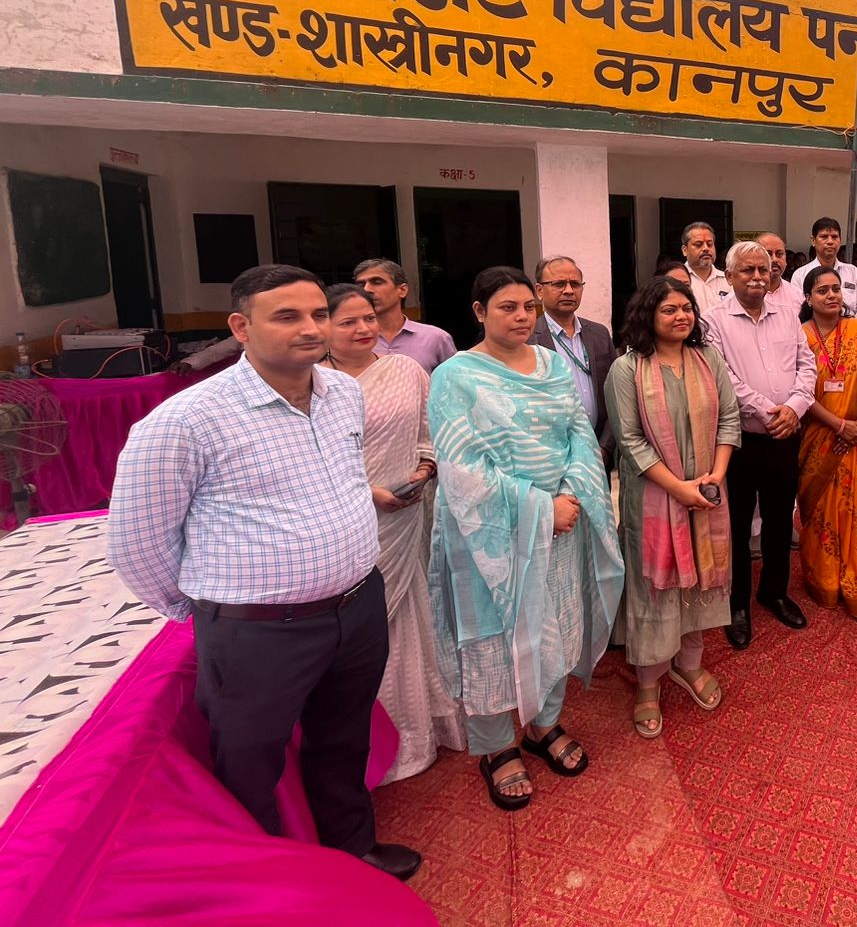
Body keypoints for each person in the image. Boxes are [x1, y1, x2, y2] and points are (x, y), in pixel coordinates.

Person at [107, 264, 420, 880]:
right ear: (241, 327)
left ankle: (352, 848)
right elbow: (136, 543)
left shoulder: (342, 393)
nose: (310, 328)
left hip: (357, 605)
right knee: (250, 761)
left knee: (343, 736)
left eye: (318, 314)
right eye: (287, 316)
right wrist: (211, 611)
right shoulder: (185, 421)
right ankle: (267, 885)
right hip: (258, 630)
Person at [428, 267, 622, 812]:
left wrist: (572, 494)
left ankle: (543, 725)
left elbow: (580, 434)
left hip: (561, 522)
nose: (521, 317)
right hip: (487, 533)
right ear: (478, 312)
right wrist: (540, 508)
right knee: (491, 637)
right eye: (507, 307)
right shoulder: (455, 376)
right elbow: (461, 467)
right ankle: (496, 747)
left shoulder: (551, 364)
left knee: (555, 623)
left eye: (527, 308)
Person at [319, 284, 463, 784]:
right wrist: (371, 494)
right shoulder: (314, 385)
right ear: (323, 328)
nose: (364, 328)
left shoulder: (406, 370)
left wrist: (425, 469)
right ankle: (372, 743)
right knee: (365, 626)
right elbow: (313, 463)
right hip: (349, 525)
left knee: (413, 615)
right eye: (348, 321)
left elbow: (431, 431)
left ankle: (420, 733)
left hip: (408, 515)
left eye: (369, 318)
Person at [604, 277, 741, 739]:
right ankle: (648, 681)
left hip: (708, 492)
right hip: (655, 498)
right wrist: (680, 489)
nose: (682, 316)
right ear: (648, 315)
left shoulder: (708, 358)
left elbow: (729, 419)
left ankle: (689, 663)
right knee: (655, 586)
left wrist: (715, 477)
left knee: (701, 576)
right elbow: (630, 442)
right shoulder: (627, 369)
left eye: (687, 308)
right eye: (669, 309)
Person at [701, 241, 817, 648]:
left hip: (785, 436)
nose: (756, 277)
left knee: (781, 517)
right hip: (739, 441)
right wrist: (771, 411)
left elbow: (807, 366)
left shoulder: (787, 314)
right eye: (747, 270)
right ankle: (736, 604)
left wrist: (795, 408)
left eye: (763, 270)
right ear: (729, 275)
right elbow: (723, 377)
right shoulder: (712, 321)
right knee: (734, 524)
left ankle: (774, 591)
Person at [797, 268, 857, 617]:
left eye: (836, 289)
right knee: (820, 509)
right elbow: (799, 391)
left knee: (854, 508)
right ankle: (825, 579)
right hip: (817, 435)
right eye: (822, 291)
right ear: (808, 298)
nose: (832, 295)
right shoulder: (798, 335)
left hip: (855, 436)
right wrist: (838, 425)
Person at [532, 255, 618, 467]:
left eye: (575, 284)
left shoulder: (599, 334)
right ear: (540, 290)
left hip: (598, 455)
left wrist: (605, 448)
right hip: (552, 459)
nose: (569, 290)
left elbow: (615, 396)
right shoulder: (528, 338)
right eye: (559, 284)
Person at [354, 259, 457, 373]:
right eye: (361, 285)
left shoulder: (435, 338)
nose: (367, 289)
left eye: (377, 282)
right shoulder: (351, 338)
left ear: (402, 290)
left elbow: (454, 380)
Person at [790, 217, 857, 319]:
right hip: (813, 328)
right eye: (824, 237)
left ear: (840, 240)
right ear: (813, 240)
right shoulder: (800, 275)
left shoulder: (853, 271)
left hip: (852, 327)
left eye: (834, 237)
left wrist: (853, 327)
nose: (830, 241)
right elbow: (796, 311)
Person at [680, 222, 731, 312]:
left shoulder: (728, 280)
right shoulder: (677, 280)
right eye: (698, 244)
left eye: (710, 244)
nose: (706, 248)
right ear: (685, 250)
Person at [757, 231, 804, 319]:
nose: (774, 259)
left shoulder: (797, 295)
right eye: (768, 254)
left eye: (779, 254)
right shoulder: (742, 294)